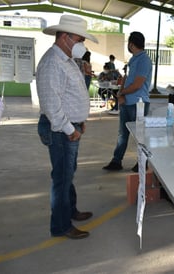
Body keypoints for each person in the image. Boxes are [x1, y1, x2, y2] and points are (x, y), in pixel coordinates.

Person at [36, 14, 98, 239]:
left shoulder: (67, 60)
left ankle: (70, 210)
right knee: (62, 177)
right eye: (79, 39)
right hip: (61, 129)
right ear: (64, 37)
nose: (82, 44)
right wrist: (71, 130)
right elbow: (52, 106)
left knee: (67, 173)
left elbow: (72, 95)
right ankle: (61, 226)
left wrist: (80, 121)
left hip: (70, 127)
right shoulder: (52, 62)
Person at [102, 31, 152, 171]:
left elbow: (137, 85)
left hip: (139, 104)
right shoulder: (132, 59)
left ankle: (142, 162)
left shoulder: (144, 60)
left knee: (140, 136)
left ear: (131, 44)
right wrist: (121, 94)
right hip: (127, 102)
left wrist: (122, 93)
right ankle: (116, 161)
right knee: (122, 134)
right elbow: (126, 78)